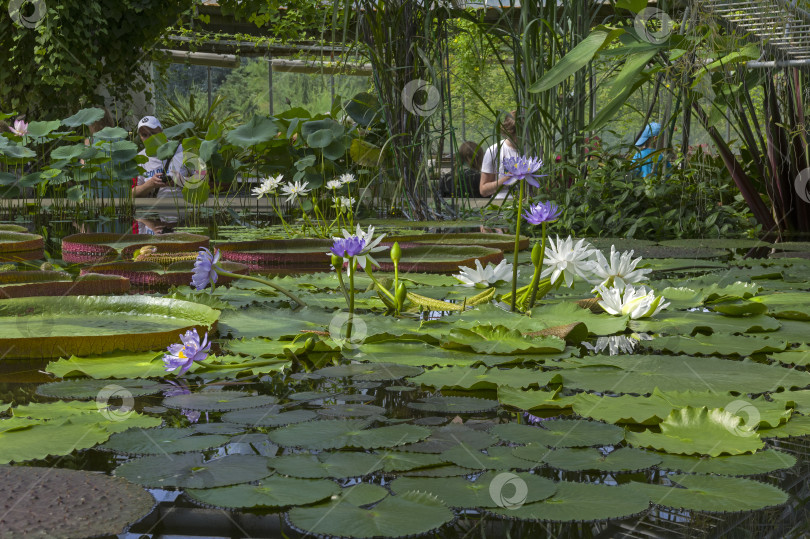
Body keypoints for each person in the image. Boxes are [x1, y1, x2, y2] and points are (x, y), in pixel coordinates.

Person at [132, 115, 186, 198]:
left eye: (152, 133)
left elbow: (203, 181)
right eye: (144, 135)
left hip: (183, 207)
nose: (149, 138)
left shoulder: (181, 150)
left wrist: (181, 181)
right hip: (153, 208)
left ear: (161, 132)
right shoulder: (139, 158)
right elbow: (132, 194)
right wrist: (150, 184)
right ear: (140, 137)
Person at [479, 111, 522, 198]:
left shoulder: (533, 150)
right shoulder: (494, 150)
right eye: (514, 134)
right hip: (500, 206)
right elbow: (483, 190)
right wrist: (507, 179)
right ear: (506, 131)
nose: (517, 139)